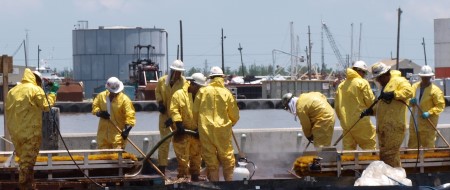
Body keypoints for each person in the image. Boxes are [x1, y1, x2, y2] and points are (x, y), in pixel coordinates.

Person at [5, 68, 59, 189]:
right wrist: (53, 92)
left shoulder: (12, 91)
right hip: (30, 132)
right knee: (28, 163)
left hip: (15, 132)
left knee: (23, 160)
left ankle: (28, 184)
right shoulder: (35, 89)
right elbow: (46, 106)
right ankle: (25, 186)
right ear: (37, 80)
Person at [193, 66, 240, 181]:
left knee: (211, 161)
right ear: (222, 78)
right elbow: (234, 114)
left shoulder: (202, 91)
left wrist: (198, 126)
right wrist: (231, 123)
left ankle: (215, 185)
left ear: (210, 78)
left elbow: (195, 112)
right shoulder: (226, 93)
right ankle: (229, 186)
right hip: (223, 131)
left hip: (206, 130)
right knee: (227, 159)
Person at [366, 62, 412, 167]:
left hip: (394, 127)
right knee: (387, 157)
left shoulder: (399, 81)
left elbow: (409, 92)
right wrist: (371, 111)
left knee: (389, 156)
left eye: (379, 78)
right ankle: (395, 176)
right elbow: (382, 107)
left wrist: (394, 94)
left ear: (386, 74)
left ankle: (393, 178)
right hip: (383, 129)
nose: (377, 80)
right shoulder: (383, 87)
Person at [169, 73, 207, 181]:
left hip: (196, 133)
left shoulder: (201, 97)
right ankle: (182, 178)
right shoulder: (179, 95)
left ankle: (195, 177)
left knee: (196, 156)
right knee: (183, 159)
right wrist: (178, 122)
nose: (200, 90)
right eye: (199, 87)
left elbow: (204, 113)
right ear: (193, 84)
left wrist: (201, 128)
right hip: (182, 133)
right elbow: (174, 110)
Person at [334, 60, 377, 151]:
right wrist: (375, 111)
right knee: (369, 147)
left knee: (348, 151)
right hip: (361, 122)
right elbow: (370, 102)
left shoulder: (341, 85)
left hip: (346, 124)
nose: (364, 75)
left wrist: (343, 120)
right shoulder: (362, 82)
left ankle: (347, 165)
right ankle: (370, 165)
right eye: (364, 73)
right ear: (360, 71)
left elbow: (337, 107)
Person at [155, 59, 187, 174]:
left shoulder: (184, 83)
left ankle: (183, 170)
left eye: (180, 72)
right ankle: (162, 169)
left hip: (178, 119)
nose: (178, 74)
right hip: (164, 117)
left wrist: (174, 119)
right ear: (171, 71)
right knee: (164, 143)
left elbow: (184, 102)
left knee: (180, 144)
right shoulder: (162, 81)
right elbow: (157, 92)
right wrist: (160, 103)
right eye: (176, 71)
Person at [92, 77, 135, 149]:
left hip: (117, 137)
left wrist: (126, 130)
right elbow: (94, 107)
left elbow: (130, 115)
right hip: (103, 136)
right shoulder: (101, 96)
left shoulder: (124, 100)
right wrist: (100, 113)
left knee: (116, 158)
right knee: (104, 158)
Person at [408, 65, 445, 149]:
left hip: (428, 123)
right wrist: (410, 101)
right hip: (415, 121)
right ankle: (413, 161)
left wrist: (429, 112)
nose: (425, 79)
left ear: (430, 77)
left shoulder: (435, 90)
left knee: (428, 145)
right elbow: (408, 99)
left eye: (427, 77)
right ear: (420, 76)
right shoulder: (414, 87)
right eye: (424, 77)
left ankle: (430, 161)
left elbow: (440, 106)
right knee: (413, 146)